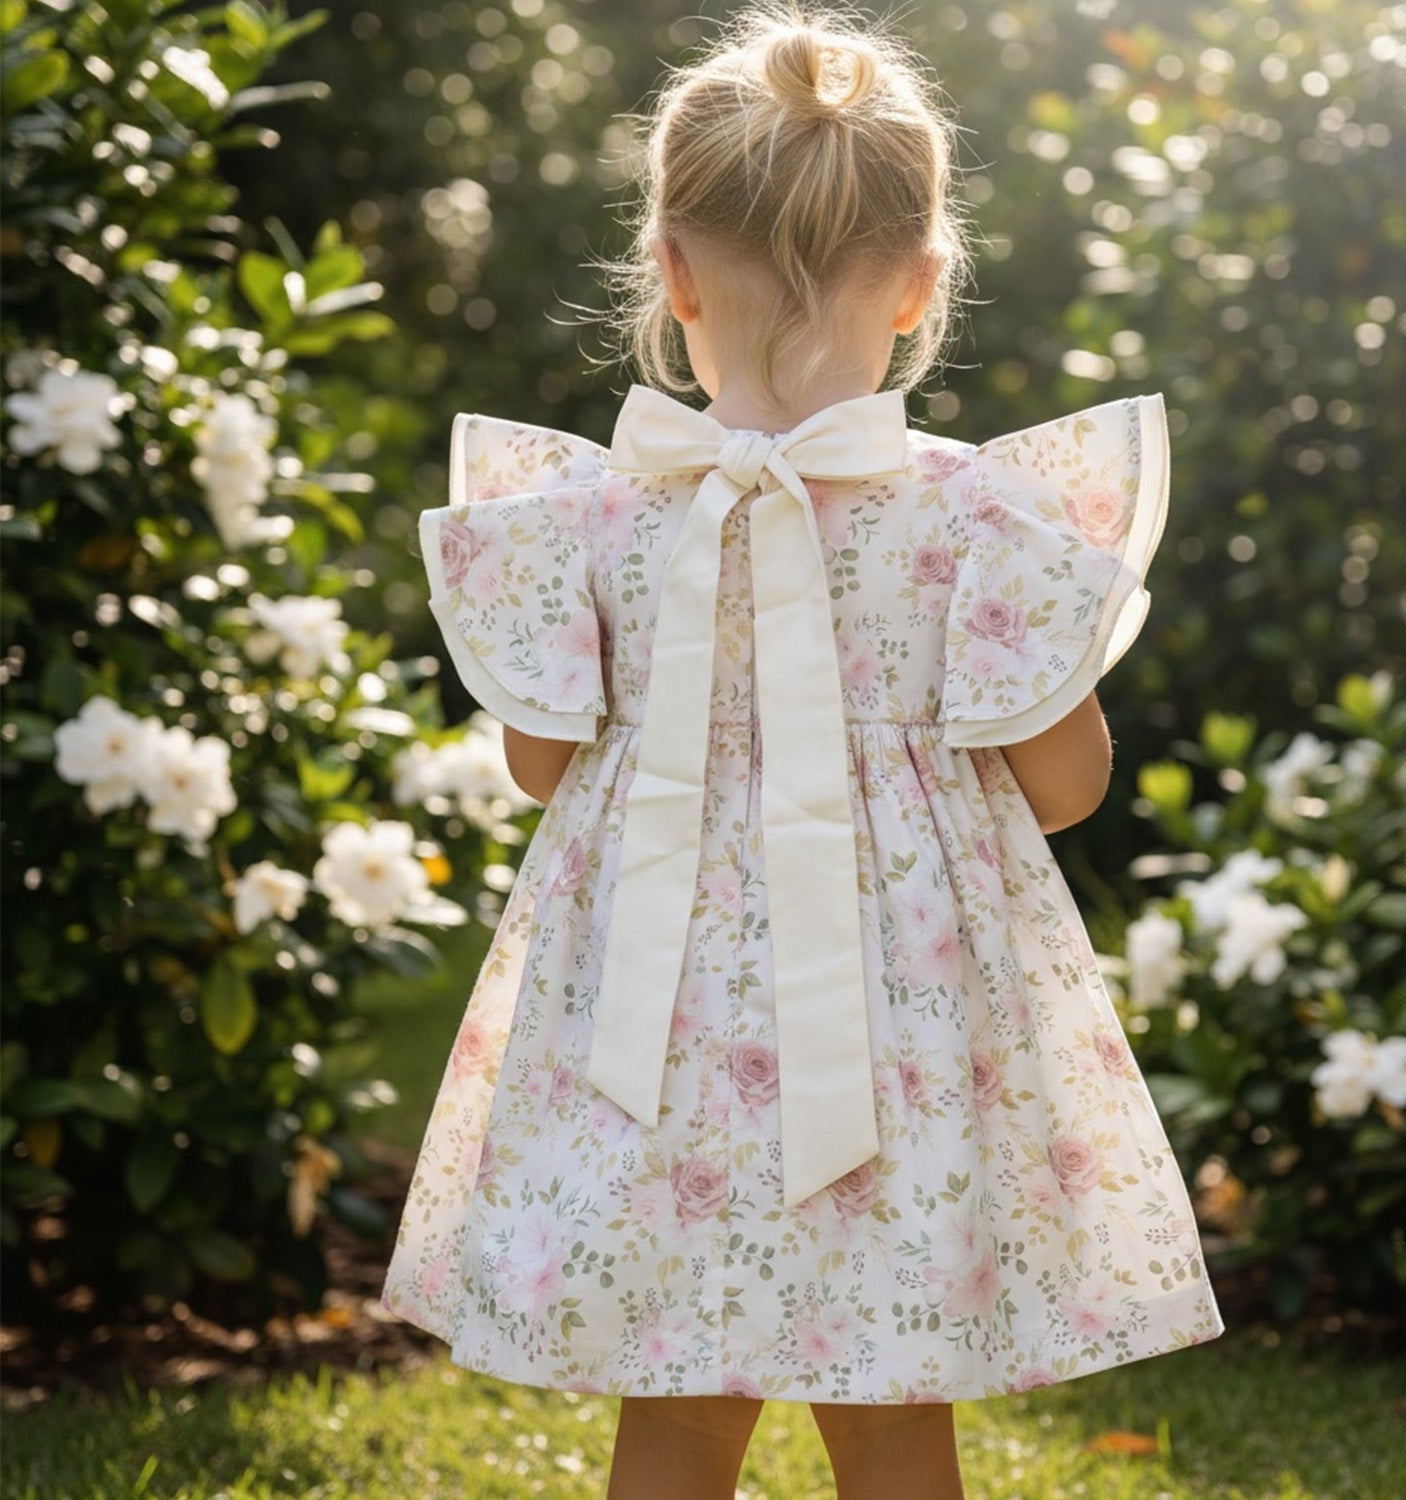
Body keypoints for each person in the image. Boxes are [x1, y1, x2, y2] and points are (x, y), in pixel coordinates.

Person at [381, 3, 1226, 1496]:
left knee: (675, 1399)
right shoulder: (977, 518)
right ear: (921, 280)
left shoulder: (588, 520)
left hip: (650, 1027)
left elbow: (540, 770)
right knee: (893, 1405)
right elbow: (1069, 785)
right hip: (902, 1019)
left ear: (670, 270)